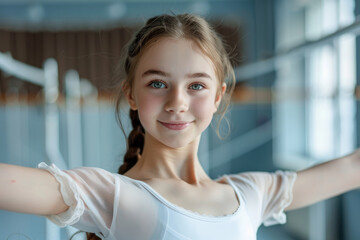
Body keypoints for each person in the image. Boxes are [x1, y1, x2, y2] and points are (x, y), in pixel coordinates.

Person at [0, 13, 360, 240]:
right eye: (157, 83)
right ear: (131, 94)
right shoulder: (114, 195)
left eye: (196, 85)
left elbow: (351, 167)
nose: (177, 103)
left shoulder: (251, 193)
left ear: (218, 96)